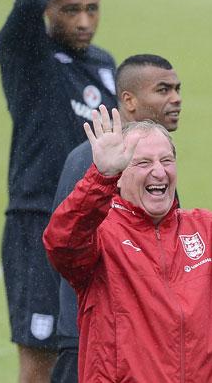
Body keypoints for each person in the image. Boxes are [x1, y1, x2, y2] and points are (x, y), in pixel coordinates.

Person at [43, 103, 212, 382]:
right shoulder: (102, 236)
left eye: (166, 160)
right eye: (143, 163)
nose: (159, 172)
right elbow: (62, 242)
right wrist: (100, 179)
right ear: (119, 174)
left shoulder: (207, 230)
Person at [0, 0, 117, 381]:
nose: (84, 21)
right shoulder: (28, 55)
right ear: (50, 9)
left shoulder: (103, 65)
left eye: (91, 9)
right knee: (40, 365)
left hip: (94, 228)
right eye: (70, 10)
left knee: (86, 355)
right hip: (39, 224)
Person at [50, 54, 182, 383]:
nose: (176, 98)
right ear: (129, 100)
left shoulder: (154, 160)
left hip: (136, 341)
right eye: (163, 90)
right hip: (91, 342)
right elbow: (66, 244)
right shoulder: (92, 162)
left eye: (178, 89)